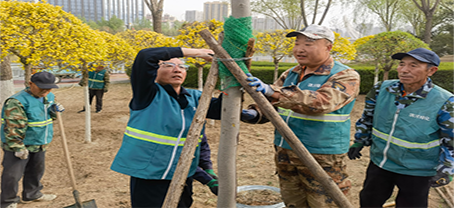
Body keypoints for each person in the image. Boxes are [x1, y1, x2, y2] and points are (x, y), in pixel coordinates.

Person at [244, 24, 361, 208]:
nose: (300, 49)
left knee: (324, 204)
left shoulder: (344, 75)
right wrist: (254, 113)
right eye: (297, 43)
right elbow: (273, 105)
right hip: (286, 152)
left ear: (328, 47)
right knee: (293, 202)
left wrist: (272, 91)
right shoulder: (292, 73)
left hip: (321, 155)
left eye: (308, 44)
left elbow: (321, 102)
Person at [110, 47, 223, 208]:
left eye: (182, 66)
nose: (177, 69)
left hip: (183, 174)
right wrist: (197, 52)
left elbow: (220, 112)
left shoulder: (196, 98)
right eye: (168, 65)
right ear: (155, 71)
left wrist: (230, 82)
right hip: (150, 176)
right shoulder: (148, 94)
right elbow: (145, 56)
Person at [349, 48, 454, 208]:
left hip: (418, 170)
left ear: (431, 71)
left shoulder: (444, 101)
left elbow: (451, 140)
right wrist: (360, 140)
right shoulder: (382, 89)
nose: (404, 70)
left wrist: (446, 168)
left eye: (413, 65)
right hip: (381, 163)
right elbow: (367, 117)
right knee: (369, 201)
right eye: (402, 64)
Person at [0, 72, 65, 208]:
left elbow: (45, 117)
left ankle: (32, 194)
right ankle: (8, 201)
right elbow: (13, 127)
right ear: (30, 84)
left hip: (39, 141)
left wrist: (53, 111)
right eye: (42, 88)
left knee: (36, 170)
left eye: (49, 89)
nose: (45, 92)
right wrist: (18, 147)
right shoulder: (17, 101)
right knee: (12, 175)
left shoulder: (49, 96)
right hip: (19, 143)